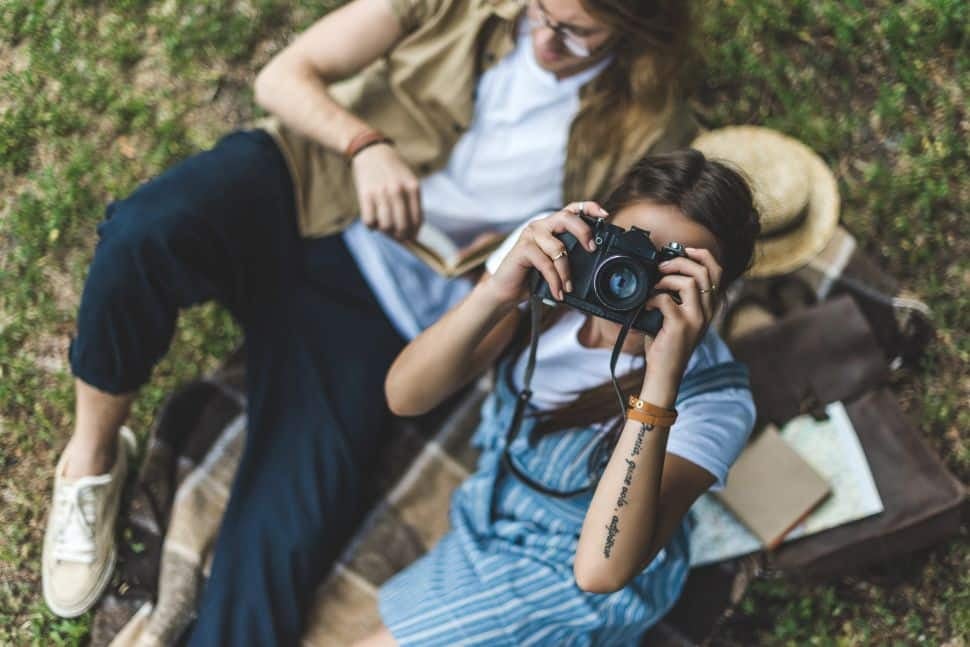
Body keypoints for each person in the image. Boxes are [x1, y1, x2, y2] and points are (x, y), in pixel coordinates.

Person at [41, 0, 697, 643]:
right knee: (142, 234)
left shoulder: (646, 131)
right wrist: (364, 143)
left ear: (637, 29)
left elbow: (598, 280)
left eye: (579, 34)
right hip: (304, 190)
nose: (549, 40)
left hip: (382, 314)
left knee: (277, 542)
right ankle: (93, 455)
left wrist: (508, 300)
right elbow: (283, 77)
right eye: (541, 15)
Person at [356, 150, 761, 646]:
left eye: (669, 269)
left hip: (579, 578)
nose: (634, 281)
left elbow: (599, 573)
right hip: (490, 513)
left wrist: (662, 378)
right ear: (599, 228)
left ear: (715, 292)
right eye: (631, 252)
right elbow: (405, 397)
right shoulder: (552, 253)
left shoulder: (717, 402)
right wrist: (496, 294)